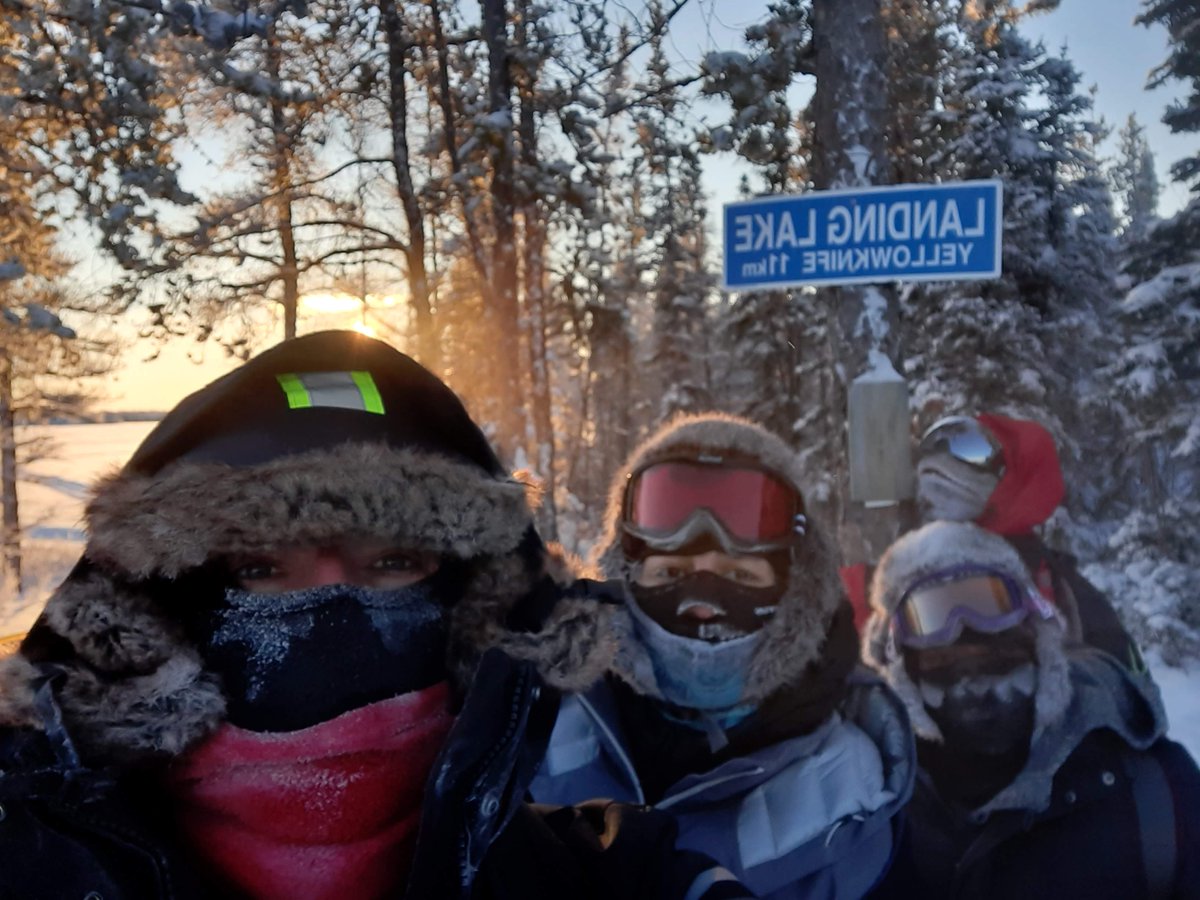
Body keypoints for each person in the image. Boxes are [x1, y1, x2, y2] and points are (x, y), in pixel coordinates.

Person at [0, 331, 748, 900]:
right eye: (259, 569)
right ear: (158, 623)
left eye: (394, 564)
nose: (334, 622)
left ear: (477, 616)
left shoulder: (619, 876)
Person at [530, 413, 914, 899]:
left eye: (742, 578)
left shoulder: (856, 804)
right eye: (670, 574)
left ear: (799, 596)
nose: (704, 606)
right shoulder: (534, 727)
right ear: (621, 585)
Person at [862, 520, 1200, 899]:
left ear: (1043, 650)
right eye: (944, 665)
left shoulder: (1158, 794)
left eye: (1001, 656)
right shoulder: (863, 812)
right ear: (902, 676)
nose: (977, 691)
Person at [915, 412, 1140, 665]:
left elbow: (1128, 688)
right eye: (931, 447)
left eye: (972, 448)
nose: (942, 458)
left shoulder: (1063, 589)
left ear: (1010, 476)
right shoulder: (892, 564)